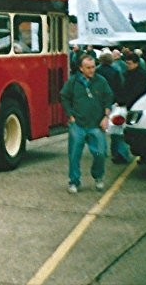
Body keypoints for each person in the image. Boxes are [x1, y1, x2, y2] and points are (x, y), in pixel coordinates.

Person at [60, 55, 113, 193]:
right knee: (74, 155)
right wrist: (70, 115)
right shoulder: (73, 82)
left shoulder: (101, 81)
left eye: (93, 67)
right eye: (88, 68)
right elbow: (64, 96)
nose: (91, 70)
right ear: (81, 68)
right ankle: (74, 181)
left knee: (101, 153)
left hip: (96, 125)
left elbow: (109, 98)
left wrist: (106, 117)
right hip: (78, 125)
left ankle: (98, 176)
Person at [118, 51, 146, 163]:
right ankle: (141, 154)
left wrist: (123, 100)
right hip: (131, 105)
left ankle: (143, 155)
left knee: (138, 132)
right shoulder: (129, 73)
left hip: (137, 105)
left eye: (129, 63)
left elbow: (136, 92)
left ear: (136, 63)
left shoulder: (140, 75)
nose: (127, 66)